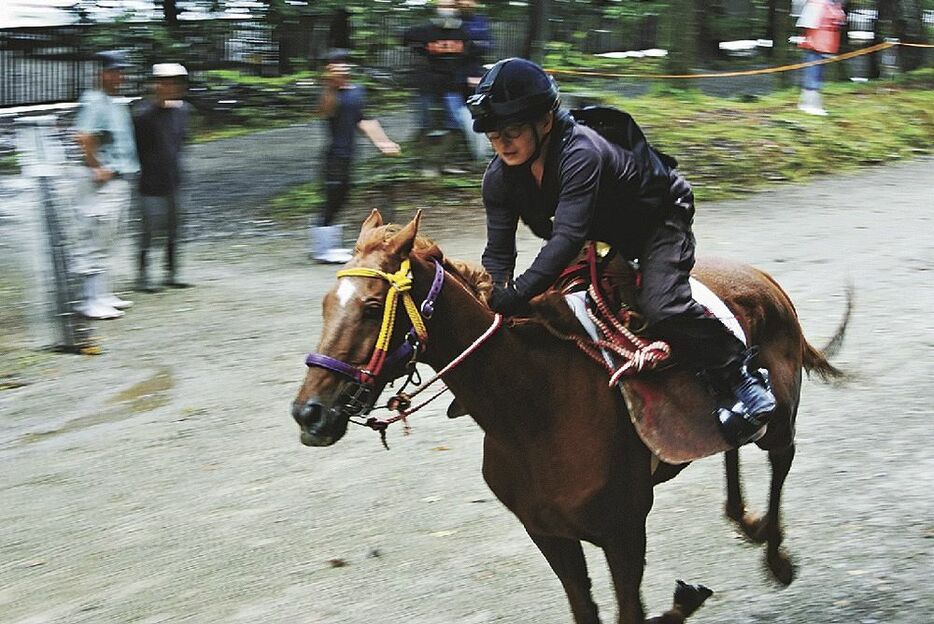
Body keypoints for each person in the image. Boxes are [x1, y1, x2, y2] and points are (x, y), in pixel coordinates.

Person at [466, 58, 776, 446]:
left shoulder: (582, 152)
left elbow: (564, 240)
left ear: (545, 121)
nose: (502, 144)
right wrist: (496, 294)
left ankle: (739, 374)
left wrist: (517, 293)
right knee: (546, 311)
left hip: (657, 221)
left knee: (663, 306)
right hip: (597, 233)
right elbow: (498, 251)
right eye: (494, 136)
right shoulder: (498, 177)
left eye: (511, 132)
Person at [312, 49, 401, 264]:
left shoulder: (357, 91)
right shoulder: (327, 93)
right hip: (333, 154)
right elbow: (323, 111)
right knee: (332, 196)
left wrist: (383, 142)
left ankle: (329, 246)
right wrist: (330, 85)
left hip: (350, 154)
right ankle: (321, 249)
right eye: (336, 64)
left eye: (344, 63)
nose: (342, 66)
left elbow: (365, 120)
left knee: (343, 195)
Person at [73, 50, 140, 320]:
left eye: (121, 71)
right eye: (113, 71)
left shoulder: (115, 102)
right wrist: (95, 166)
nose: (118, 76)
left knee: (110, 239)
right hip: (104, 183)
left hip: (121, 178)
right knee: (96, 238)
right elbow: (83, 136)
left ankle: (103, 294)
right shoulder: (94, 101)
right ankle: (89, 300)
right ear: (101, 74)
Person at [132, 62, 192, 292]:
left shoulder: (182, 111)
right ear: (155, 85)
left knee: (175, 229)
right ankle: (143, 275)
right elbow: (136, 147)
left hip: (174, 178)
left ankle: (171, 272)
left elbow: (181, 141)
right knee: (149, 229)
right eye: (164, 83)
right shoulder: (143, 115)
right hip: (150, 181)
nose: (169, 88)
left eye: (174, 83)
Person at [402, 0, 472, 174]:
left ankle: (442, 160)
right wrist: (419, 51)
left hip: (451, 85)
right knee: (426, 123)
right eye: (444, 6)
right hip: (427, 84)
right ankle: (425, 163)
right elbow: (405, 37)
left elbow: (468, 56)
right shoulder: (425, 30)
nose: (447, 10)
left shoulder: (462, 33)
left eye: (451, 7)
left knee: (455, 123)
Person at [796, 0, 847, 115]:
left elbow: (839, 19)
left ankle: (810, 103)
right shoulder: (818, 4)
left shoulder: (831, 5)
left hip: (824, 44)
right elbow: (807, 23)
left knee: (817, 74)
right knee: (813, 74)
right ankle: (809, 105)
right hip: (815, 44)